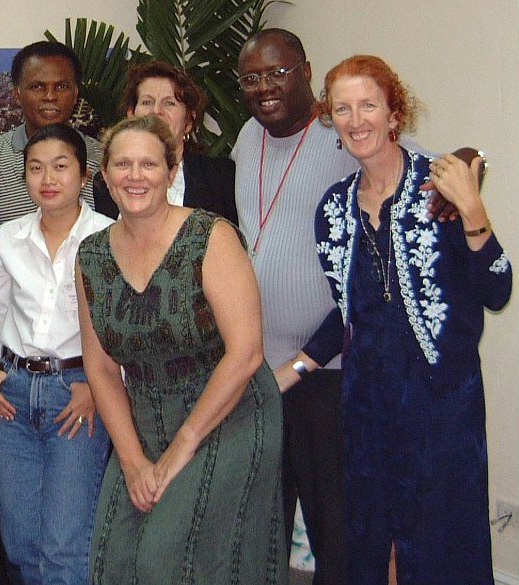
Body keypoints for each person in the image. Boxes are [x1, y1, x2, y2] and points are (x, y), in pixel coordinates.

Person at [312, 55, 511, 585]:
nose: (357, 120)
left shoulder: (441, 186)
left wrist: (474, 213)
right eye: (343, 109)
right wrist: (293, 369)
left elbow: (497, 289)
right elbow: (349, 314)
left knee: (445, 541)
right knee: (373, 541)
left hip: (442, 401)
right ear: (331, 120)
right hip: (367, 403)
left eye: (369, 105)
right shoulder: (332, 210)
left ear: (394, 111)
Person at [77, 115, 285, 584]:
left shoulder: (211, 236)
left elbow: (247, 352)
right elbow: (102, 368)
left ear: (172, 173)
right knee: (114, 560)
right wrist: (132, 462)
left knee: (167, 561)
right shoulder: (90, 255)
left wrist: (179, 451)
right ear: (105, 176)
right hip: (145, 418)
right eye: (123, 164)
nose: (135, 176)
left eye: (149, 164)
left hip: (227, 412)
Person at [0, 40, 100, 585]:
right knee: (21, 543)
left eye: (62, 166)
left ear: (86, 175)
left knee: (66, 545)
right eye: (37, 168)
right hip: (13, 395)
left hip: (76, 394)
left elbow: (114, 331)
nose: (49, 178)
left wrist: (96, 383)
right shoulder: (9, 239)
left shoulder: (105, 242)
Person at [232, 30, 360, 583]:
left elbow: (411, 166)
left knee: (337, 525)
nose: (265, 87)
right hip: (258, 367)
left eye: (277, 72)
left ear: (307, 71)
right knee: (264, 520)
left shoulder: (341, 136)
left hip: (326, 367)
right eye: (252, 77)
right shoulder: (244, 137)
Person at [0, 41, 101, 229]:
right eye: (37, 87)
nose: (50, 97)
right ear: (17, 94)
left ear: (76, 93)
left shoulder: (101, 158)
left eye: (61, 87)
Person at [92, 60, 237, 223]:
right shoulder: (108, 182)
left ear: (189, 122)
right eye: (147, 102)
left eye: (169, 103)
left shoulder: (221, 178)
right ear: (131, 115)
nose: (156, 111)